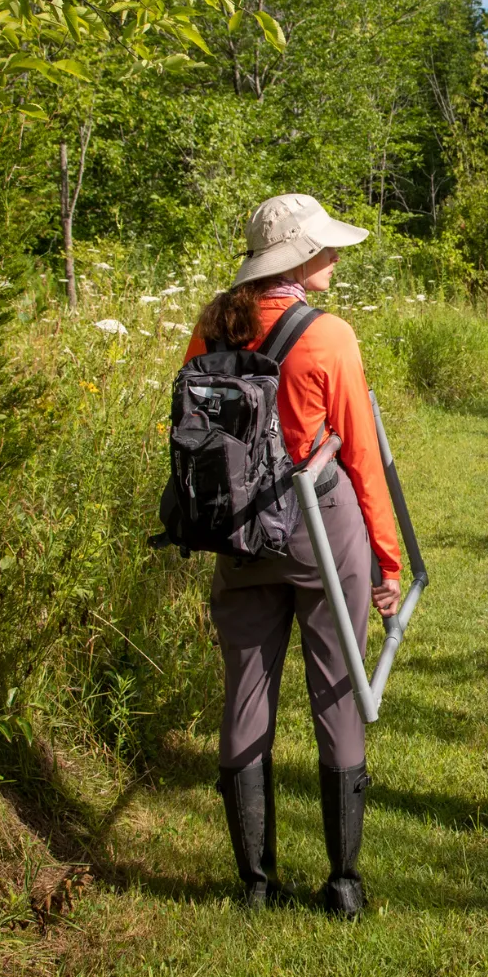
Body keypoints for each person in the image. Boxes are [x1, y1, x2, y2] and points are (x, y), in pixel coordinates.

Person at [185, 193, 402, 916]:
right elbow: (362, 457)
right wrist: (387, 560)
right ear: (299, 259)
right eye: (326, 247)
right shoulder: (329, 335)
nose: (335, 257)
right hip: (318, 526)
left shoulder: (213, 325)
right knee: (337, 692)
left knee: (245, 695)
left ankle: (255, 884)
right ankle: (343, 883)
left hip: (240, 530)